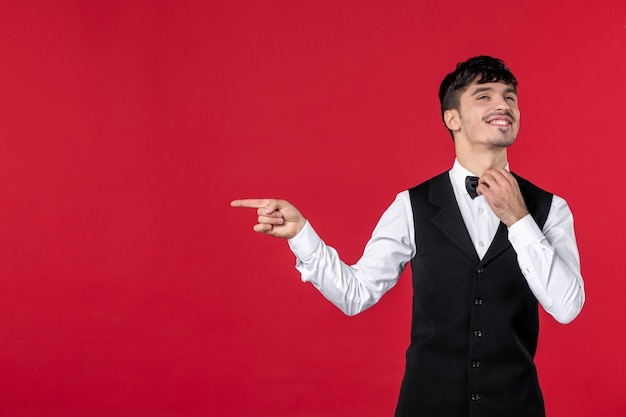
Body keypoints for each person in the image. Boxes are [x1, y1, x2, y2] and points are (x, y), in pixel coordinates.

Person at [231, 56, 584, 417]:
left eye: (510, 97)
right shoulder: (412, 205)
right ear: (453, 118)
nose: (502, 105)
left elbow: (568, 307)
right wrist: (302, 234)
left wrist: (519, 218)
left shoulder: (549, 209)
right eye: (484, 95)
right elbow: (356, 294)